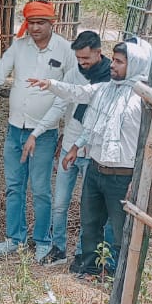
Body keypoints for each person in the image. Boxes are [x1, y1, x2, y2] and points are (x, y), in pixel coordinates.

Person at [27, 38, 152, 277]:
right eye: (113, 60)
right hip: (96, 168)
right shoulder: (106, 89)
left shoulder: (144, 99)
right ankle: (90, 269)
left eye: (119, 62)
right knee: (90, 223)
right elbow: (82, 97)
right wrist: (76, 147)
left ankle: (119, 275)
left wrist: (147, 177)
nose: (113, 65)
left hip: (123, 174)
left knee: (119, 229)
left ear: (135, 64)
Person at [0, 1, 75, 257]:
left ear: (52, 23)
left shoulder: (65, 49)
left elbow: (68, 93)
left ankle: (43, 241)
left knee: (41, 189)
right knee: (14, 186)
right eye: (31, 22)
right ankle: (15, 238)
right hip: (15, 128)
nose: (35, 28)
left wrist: (61, 128)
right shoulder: (20, 46)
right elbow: (0, 72)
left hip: (43, 133)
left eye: (40, 23)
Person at [33, 30, 111, 265]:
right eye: (78, 59)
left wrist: (53, 85)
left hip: (93, 152)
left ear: (98, 52)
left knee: (90, 209)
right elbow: (60, 104)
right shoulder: (73, 73)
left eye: (86, 58)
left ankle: (82, 253)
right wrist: (39, 131)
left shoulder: (110, 79)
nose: (82, 63)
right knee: (60, 203)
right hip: (70, 147)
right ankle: (58, 248)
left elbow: (94, 109)